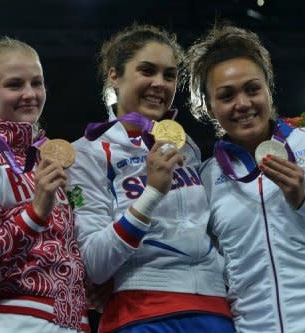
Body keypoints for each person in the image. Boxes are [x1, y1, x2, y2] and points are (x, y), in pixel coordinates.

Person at [66, 24, 234, 333]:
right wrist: (152, 192)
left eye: (169, 75)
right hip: (142, 311)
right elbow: (93, 264)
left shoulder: (189, 148)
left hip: (214, 310)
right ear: (114, 76)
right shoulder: (88, 153)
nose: (160, 83)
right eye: (147, 70)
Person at [185, 23, 305, 332]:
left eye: (252, 89)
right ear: (207, 106)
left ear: (268, 88)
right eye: (227, 95)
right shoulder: (207, 177)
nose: (243, 103)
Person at [0, 37, 89, 332]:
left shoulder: (51, 157)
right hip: (17, 321)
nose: (30, 94)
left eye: (36, 83)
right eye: (14, 85)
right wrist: (35, 212)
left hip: (73, 321)